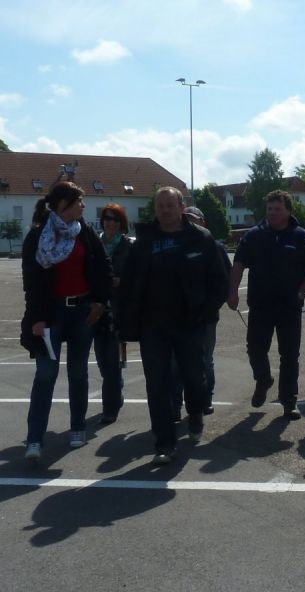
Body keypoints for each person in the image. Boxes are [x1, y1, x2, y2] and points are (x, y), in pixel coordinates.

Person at [118, 187, 227, 464]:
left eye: (170, 205)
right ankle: (164, 443)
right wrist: (126, 319)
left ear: (181, 207)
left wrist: (205, 312)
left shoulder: (200, 238)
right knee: (157, 384)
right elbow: (128, 283)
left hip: (191, 323)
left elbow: (219, 282)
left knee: (194, 378)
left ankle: (196, 412)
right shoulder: (144, 242)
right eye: (160, 206)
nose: (165, 210)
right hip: (153, 326)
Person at [20, 181, 112, 462]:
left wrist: (100, 302)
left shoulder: (85, 232)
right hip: (51, 315)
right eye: (79, 201)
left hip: (82, 312)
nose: (83, 206)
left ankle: (77, 427)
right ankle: (35, 439)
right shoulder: (38, 235)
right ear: (64, 204)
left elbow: (103, 267)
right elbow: (31, 281)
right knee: (45, 374)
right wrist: (36, 318)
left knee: (78, 372)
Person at [227, 190, 305, 420]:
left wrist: (303, 291)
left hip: (290, 306)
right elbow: (238, 263)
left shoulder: (301, 237)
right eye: (269, 209)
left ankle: (289, 401)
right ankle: (263, 379)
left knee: (289, 355)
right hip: (260, 305)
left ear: (288, 211)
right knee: (255, 349)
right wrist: (232, 291)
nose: (272, 213)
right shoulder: (254, 236)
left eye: (277, 209)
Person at [167, 205, 232, 419]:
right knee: (175, 362)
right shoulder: (173, 244)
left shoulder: (213, 246)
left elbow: (224, 281)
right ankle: (175, 405)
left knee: (205, 360)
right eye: (185, 219)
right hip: (176, 316)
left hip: (205, 316)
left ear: (203, 222)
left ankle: (205, 399)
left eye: (193, 219)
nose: (189, 223)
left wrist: (209, 308)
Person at [94, 203, 134, 424]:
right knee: (103, 361)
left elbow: (138, 276)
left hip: (118, 311)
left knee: (110, 361)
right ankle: (116, 386)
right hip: (96, 309)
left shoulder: (129, 246)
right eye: (107, 219)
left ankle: (110, 407)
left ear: (121, 223)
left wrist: (122, 282)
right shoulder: (94, 243)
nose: (110, 223)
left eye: (115, 219)